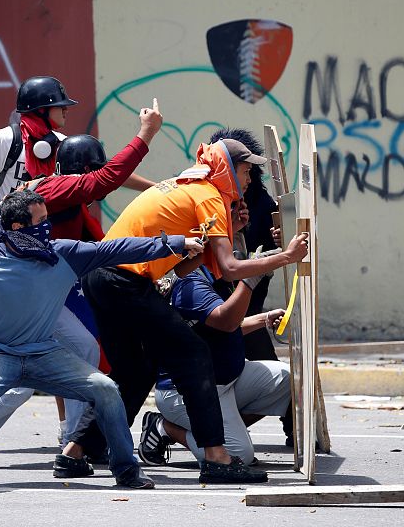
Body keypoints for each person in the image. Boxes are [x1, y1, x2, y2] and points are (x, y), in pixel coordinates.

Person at [0, 189, 204, 491]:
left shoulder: (63, 253)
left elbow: (119, 249)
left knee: (105, 388)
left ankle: (126, 470)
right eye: (41, 221)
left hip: (45, 353)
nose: (48, 228)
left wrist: (176, 243)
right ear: (17, 228)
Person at [71, 138, 309, 484]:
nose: (248, 179)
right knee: (193, 354)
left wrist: (232, 230)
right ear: (226, 169)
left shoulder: (191, 186)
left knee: (134, 372)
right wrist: (285, 257)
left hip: (103, 276)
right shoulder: (209, 193)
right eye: (244, 171)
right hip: (123, 280)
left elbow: (184, 264)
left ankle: (76, 451)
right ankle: (216, 457)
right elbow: (228, 267)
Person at [0, 100, 162, 472]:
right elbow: (109, 177)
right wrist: (146, 133)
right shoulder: (57, 189)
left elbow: (100, 246)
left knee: (79, 350)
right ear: (81, 172)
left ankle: (74, 445)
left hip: (27, 289)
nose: (100, 184)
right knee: (15, 380)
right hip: (5, 289)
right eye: (93, 173)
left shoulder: (64, 195)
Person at [141, 259, 291, 466]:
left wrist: (264, 319)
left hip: (228, 380)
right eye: (229, 229)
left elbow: (225, 326)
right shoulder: (190, 283)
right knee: (237, 456)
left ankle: (224, 430)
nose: (241, 228)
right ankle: (165, 427)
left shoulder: (210, 271)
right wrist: (249, 281)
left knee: (288, 379)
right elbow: (226, 322)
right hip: (188, 392)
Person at [207, 128, 294, 445]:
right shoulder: (205, 196)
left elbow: (272, 246)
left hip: (249, 299)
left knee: (272, 370)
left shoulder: (260, 200)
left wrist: (278, 240)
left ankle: (295, 427)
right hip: (213, 301)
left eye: (247, 170)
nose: (244, 177)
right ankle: (179, 428)